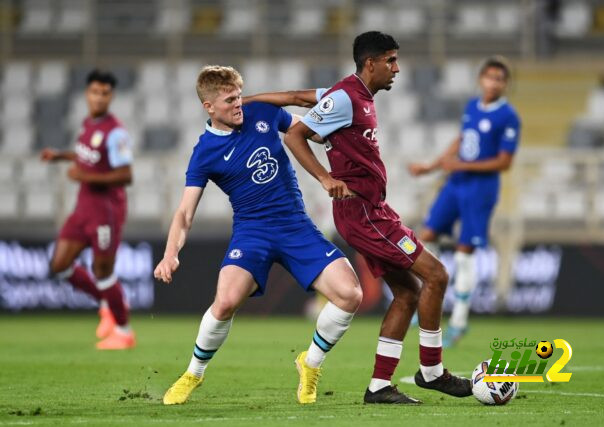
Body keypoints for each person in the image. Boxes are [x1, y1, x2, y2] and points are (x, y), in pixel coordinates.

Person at [253, 31, 472, 404]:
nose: (397, 69)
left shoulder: (350, 95)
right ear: (371, 63)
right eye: (391, 60)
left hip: (372, 211)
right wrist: (325, 178)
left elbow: (293, 98)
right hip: (364, 214)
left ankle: (379, 386)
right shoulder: (345, 98)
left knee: (407, 293)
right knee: (436, 275)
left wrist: (246, 101)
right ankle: (432, 371)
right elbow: (296, 136)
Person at [156, 65, 362, 406]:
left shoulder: (263, 112)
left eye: (239, 96)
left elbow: (308, 133)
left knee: (350, 294)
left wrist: (336, 121)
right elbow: (185, 212)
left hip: (295, 225)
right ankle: (193, 372)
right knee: (224, 303)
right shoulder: (204, 152)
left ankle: (309, 364)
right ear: (209, 107)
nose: (239, 104)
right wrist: (170, 253)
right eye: (229, 100)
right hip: (253, 233)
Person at [408, 56, 521, 348]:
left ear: (505, 84)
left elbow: (504, 162)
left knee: (463, 251)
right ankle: (426, 302)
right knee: (427, 236)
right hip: (455, 184)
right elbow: (461, 141)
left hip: (480, 189)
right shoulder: (472, 107)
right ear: (481, 79)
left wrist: (464, 166)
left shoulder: (508, 116)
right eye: (489, 77)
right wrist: (432, 166)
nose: (493, 82)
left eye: (499, 78)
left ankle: (458, 320)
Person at [40, 69, 135, 350]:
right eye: (95, 92)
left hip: (106, 210)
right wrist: (60, 156)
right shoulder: (88, 124)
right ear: (87, 94)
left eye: (105, 93)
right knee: (59, 265)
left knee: (103, 271)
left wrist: (84, 177)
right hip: (83, 208)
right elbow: (87, 156)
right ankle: (109, 301)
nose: (99, 98)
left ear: (111, 96)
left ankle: (123, 330)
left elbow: (125, 175)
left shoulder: (115, 132)